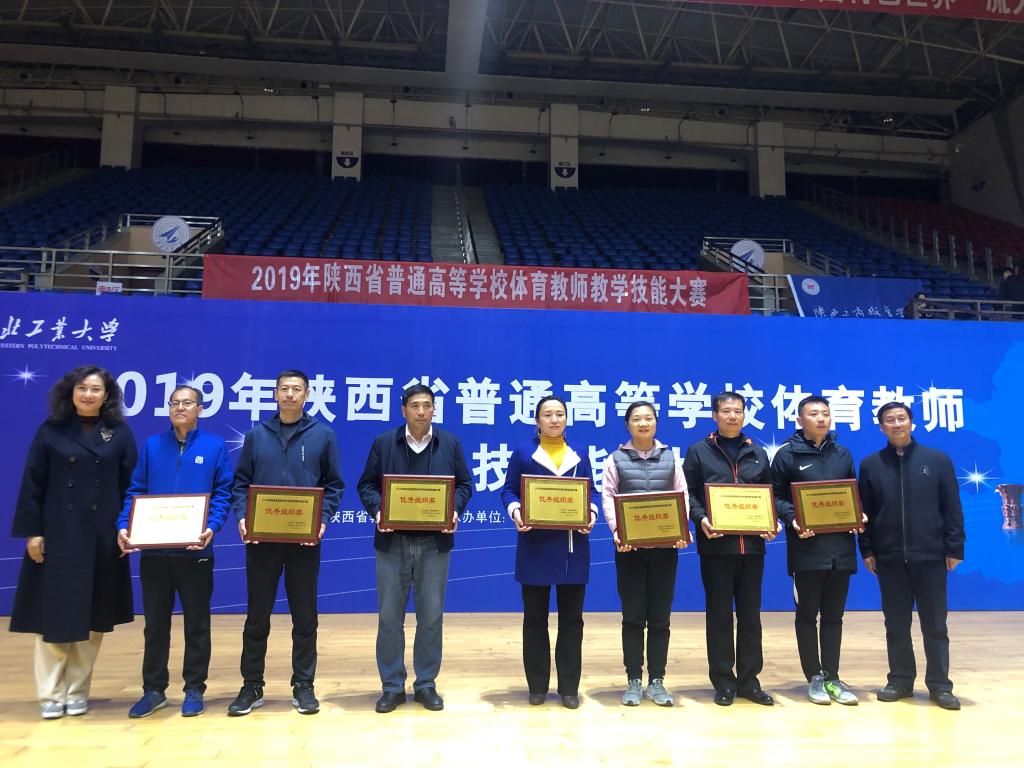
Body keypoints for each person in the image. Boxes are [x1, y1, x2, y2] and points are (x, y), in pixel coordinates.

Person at [9, 365, 137, 720]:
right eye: (82, 388)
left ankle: (78, 690)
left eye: (96, 389)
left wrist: (128, 529)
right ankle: (51, 694)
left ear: (107, 396)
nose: (88, 395)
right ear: (71, 392)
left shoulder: (119, 433)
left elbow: (132, 487)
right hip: (59, 535)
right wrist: (34, 532)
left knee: (93, 619)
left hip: (102, 537)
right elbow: (33, 484)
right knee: (54, 616)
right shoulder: (50, 431)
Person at [227, 370, 344, 717]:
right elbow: (240, 484)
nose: (290, 394)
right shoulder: (257, 435)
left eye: (296, 389)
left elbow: (334, 486)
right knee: (256, 617)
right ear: (276, 394)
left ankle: (303, 684)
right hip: (262, 540)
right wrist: (243, 517)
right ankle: (251, 685)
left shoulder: (323, 435)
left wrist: (322, 520)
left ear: (307, 395)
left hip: (303, 542)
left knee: (304, 617)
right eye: (284, 389)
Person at [117, 385, 233, 718]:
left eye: (187, 403)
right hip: (155, 553)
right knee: (155, 625)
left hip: (195, 551)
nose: (180, 407)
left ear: (200, 409)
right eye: (174, 403)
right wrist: (124, 525)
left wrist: (212, 526)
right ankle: (153, 690)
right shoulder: (152, 446)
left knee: (197, 624)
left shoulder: (214, 446)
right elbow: (136, 490)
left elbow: (223, 492)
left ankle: (194, 688)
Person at [357, 384, 473, 714]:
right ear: (404, 410)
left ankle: (425, 684)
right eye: (415, 405)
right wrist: (380, 512)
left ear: (434, 409)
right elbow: (366, 485)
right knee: (389, 617)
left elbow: (465, 484)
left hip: (434, 543)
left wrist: (453, 511)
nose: (421, 411)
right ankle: (392, 686)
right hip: (392, 542)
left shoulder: (450, 443)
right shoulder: (384, 442)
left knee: (431, 616)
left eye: (427, 405)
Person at [858, 401, 965, 711]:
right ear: (882, 427)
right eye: (890, 420)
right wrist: (867, 549)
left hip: (931, 557)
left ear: (911, 422)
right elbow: (864, 513)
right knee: (896, 624)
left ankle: (940, 685)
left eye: (901, 418)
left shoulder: (937, 460)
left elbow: (952, 507)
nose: (897, 424)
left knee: (935, 625)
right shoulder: (871, 464)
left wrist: (954, 547)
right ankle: (900, 681)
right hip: (889, 559)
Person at [501, 395, 599, 710]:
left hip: (572, 547)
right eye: (548, 414)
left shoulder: (579, 453)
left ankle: (569, 687)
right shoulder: (523, 452)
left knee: (572, 620)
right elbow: (508, 490)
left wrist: (591, 514)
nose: (554, 419)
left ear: (567, 419)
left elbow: (592, 492)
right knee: (534, 619)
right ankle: (537, 686)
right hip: (535, 546)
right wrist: (517, 511)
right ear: (537, 420)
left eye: (559, 414)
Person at [683, 391, 779, 707]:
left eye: (738, 411)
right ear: (715, 416)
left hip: (751, 547)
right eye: (726, 411)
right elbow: (689, 494)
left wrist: (771, 522)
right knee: (719, 616)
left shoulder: (757, 452)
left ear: (744, 415)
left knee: (751, 616)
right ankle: (723, 682)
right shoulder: (699, 451)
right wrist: (701, 518)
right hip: (716, 547)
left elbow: (768, 494)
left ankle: (749, 681)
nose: (732, 416)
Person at [770, 395, 860, 706]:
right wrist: (793, 518)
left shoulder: (842, 453)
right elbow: (776, 497)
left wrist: (856, 513)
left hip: (841, 549)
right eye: (813, 414)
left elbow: (851, 492)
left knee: (834, 616)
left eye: (825, 413)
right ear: (799, 420)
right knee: (807, 615)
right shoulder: (787, 454)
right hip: (807, 549)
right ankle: (815, 677)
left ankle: (832, 676)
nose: (821, 418)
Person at [600, 401, 689, 707]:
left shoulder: (671, 458)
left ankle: (658, 681)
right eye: (636, 419)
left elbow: (682, 495)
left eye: (648, 418)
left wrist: (681, 529)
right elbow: (608, 497)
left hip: (665, 550)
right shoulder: (615, 459)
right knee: (633, 617)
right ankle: (634, 679)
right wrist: (618, 531)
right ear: (627, 425)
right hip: (630, 550)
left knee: (661, 618)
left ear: (656, 423)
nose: (643, 423)